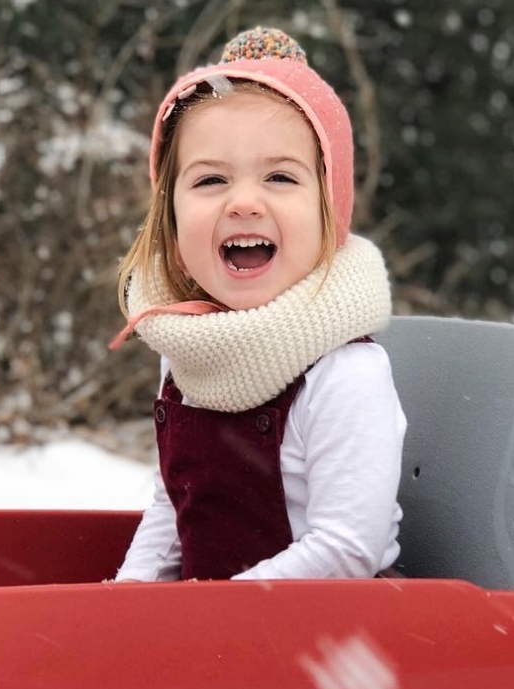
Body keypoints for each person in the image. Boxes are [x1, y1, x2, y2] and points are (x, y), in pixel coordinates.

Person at [110, 27, 406, 582]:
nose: (244, 201)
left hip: (328, 636)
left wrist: (219, 616)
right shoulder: (188, 350)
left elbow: (347, 548)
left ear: (330, 212)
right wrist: (130, 602)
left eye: (279, 176)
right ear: (171, 220)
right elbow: (173, 508)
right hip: (223, 643)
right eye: (211, 180)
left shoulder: (345, 373)